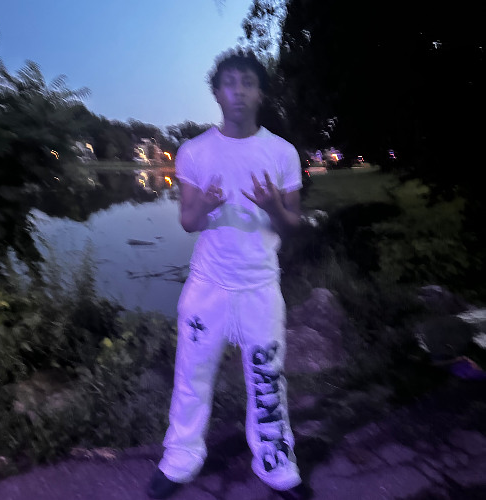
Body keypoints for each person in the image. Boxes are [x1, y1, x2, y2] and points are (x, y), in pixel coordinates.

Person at [147, 48, 306, 499]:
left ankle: (275, 462)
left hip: (260, 285)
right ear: (217, 93)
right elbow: (188, 222)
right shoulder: (194, 151)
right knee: (192, 376)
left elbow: (293, 225)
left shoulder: (282, 152)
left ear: (261, 94)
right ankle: (180, 459)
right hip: (208, 285)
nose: (239, 91)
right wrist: (205, 204)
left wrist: (274, 207)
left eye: (248, 83)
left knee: (267, 379)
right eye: (230, 83)